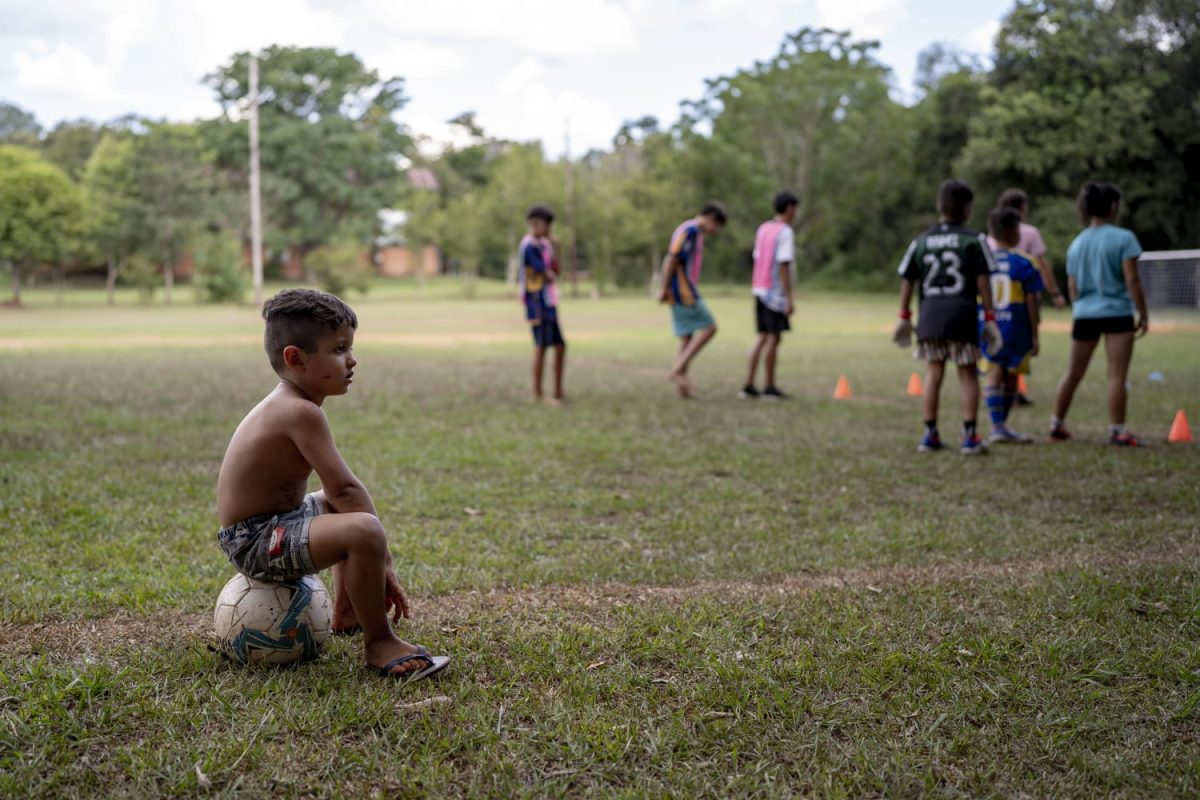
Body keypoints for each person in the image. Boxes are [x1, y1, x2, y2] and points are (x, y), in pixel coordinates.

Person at [216, 289, 450, 681]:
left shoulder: (290, 403)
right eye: (339, 349)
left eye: (351, 347)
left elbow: (336, 497)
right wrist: (384, 560)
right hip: (255, 540)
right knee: (361, 528)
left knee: (338, 511)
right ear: (296, 358)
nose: (352, 360)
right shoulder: (301, 412)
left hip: (273, 522)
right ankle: (380, 643)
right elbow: (345, 490)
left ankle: (346, 613)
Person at [893, 179, 1003, 455]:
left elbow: (907, 278)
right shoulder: (973, 239)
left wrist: (904, 315)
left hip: (930, 315)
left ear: (939, 206)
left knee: (933, 372)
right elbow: (983, 281)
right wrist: (989, 316)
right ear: (967, 209)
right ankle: (970, 436)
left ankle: (929, 434)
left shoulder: (922, 240)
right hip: (962, 314)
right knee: (967, 374)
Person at [1049, 182, 1149, 446]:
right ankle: (1117, 430)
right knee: (1116, 375)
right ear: (1114, 206)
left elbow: (1073, 286)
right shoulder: (1124, 238)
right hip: (1117, 312)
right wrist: (1143, 312)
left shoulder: (1077, 243)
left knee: (1072, 372)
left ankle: (1056, 425)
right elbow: (1132, 280)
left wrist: (1079, 307)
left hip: (1084, 313)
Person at [980, 207, 1044, 444]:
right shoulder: (1025, 262)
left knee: (994, 373)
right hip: (1017, 326)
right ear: (1014, 231)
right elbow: (1032, 301)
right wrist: (1035, 334)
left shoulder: (983, 260)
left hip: (991, 326)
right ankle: (1000, 426)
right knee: (1009, 376)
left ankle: (998, 426)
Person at [659, 202, 727, 397]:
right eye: (717, 226)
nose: (715, 231)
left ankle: (683, 388)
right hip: (682, 290)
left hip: (681, 289)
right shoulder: (689, 231)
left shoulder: (693, 233)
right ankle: (677, 370)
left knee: (687, 336)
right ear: (712, 218)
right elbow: (671, 258)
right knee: (710, 327)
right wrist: (664, 289)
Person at [741, 191, 798, 400]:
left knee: (762, 336)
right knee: (774, 338)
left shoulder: (763, 229)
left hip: (759, 289)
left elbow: (758, 258)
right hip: (774, 293)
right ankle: (769, 386)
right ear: (790, 208)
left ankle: (748, 384)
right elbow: (784, 265)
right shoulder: (785, 232)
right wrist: (789, 298)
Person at [519, 205, 566, 404]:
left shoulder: (545, 245)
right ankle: (537, 393)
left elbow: (556, 271)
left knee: (560, 345)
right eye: (546, 225)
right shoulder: (529, 246)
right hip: (537, 303)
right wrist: (551, 273)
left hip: (549, 301)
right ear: (536, 224)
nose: (548, 230)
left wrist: (556, 248)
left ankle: (557, 390)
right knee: (541, 346)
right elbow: (546, 273)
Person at [992, 188, 1066, 310]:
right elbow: (1043, 265)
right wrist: (1055, 293)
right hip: (1024, 294)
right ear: (1022, 208)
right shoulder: (1030, 232)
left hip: (997, 295)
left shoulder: (992, 235)